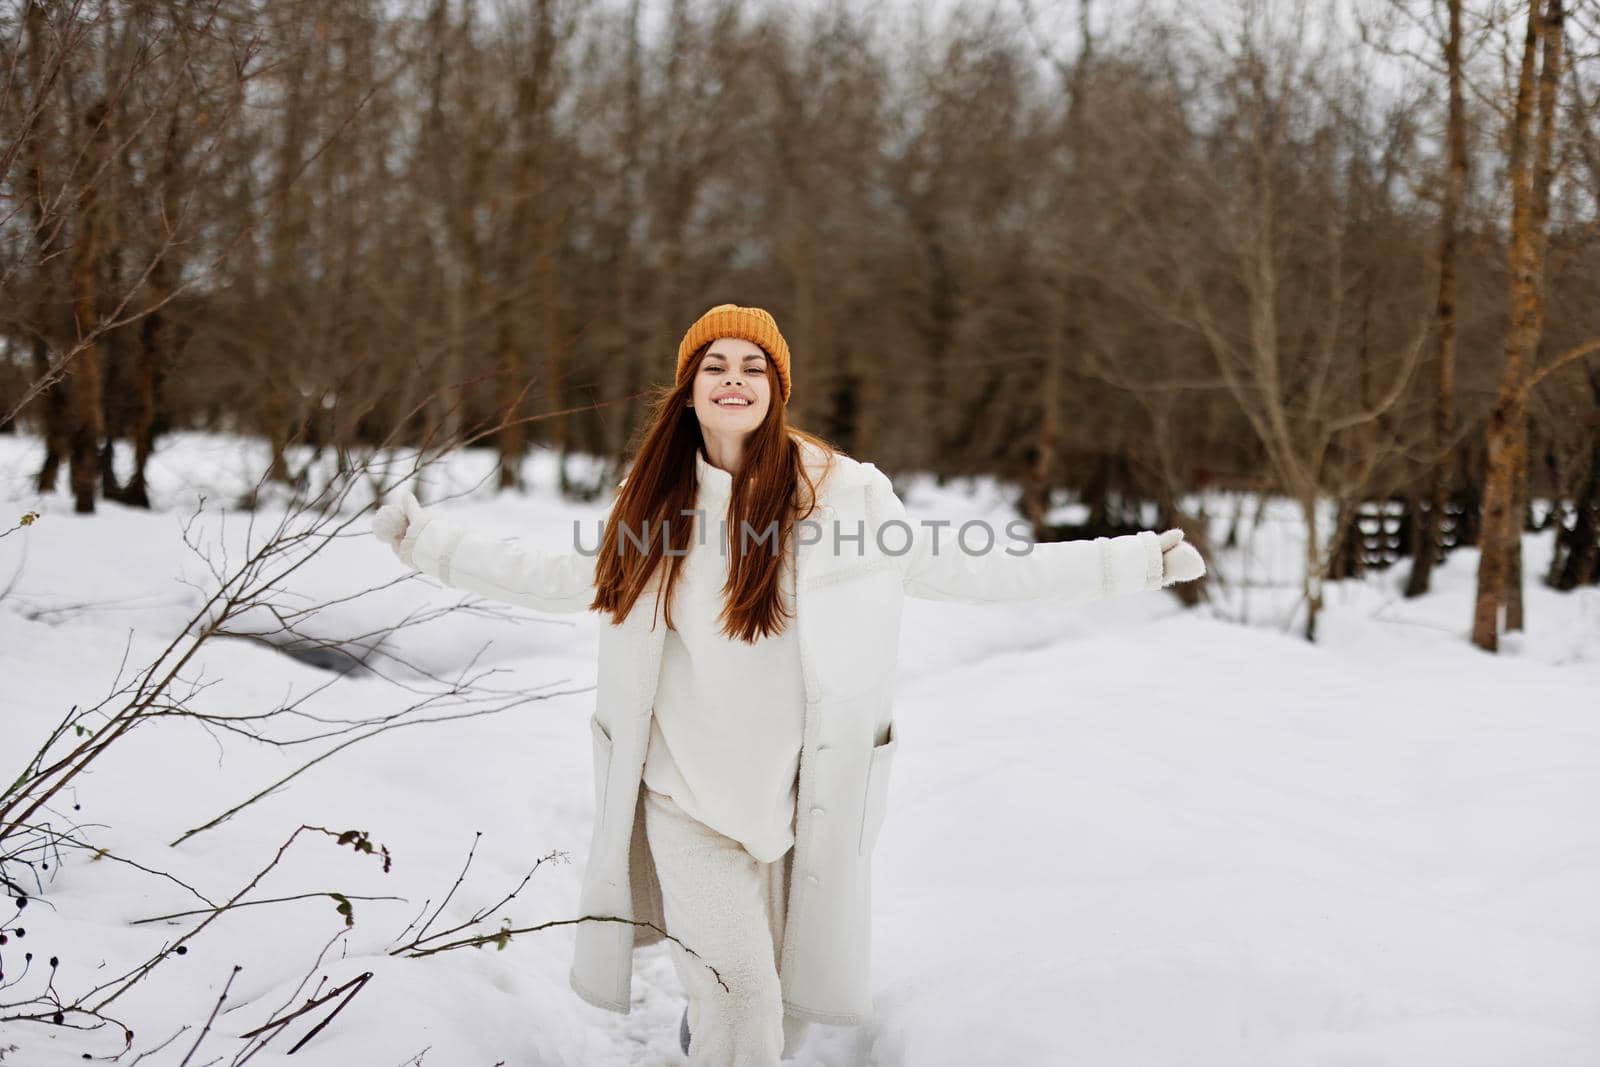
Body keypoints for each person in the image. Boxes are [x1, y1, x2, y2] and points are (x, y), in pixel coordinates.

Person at [372, 302, 1206, 1066]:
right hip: (686, 797)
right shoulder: (654, 500)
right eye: (715, 365)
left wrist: (1132, 561)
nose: (734, 379)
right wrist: (427, 543)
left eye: (753, 367)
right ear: (689, 389)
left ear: (776, 389)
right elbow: (562, 574)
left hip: (803, 801)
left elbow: (973, 568)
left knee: (782, 1009)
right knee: (745, 1004)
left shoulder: (846, 498)